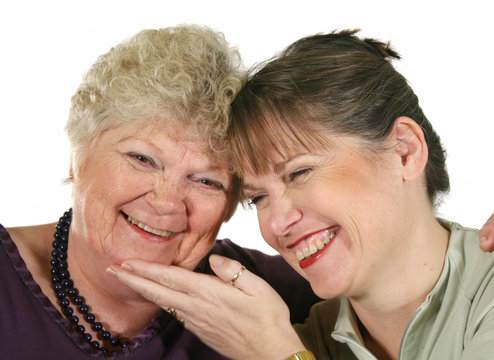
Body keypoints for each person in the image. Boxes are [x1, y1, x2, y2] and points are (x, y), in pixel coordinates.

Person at [109, 30, 494, 360]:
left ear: (404, 152)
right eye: (257, 198)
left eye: (299, 173)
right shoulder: (309, 335)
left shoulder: (278, 343)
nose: (277, 224)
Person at [0, 25, 321, 359]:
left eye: (206, 181)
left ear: (230, 204)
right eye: (142, 159)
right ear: (77, 156)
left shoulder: (269, 300)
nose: (167, 202)